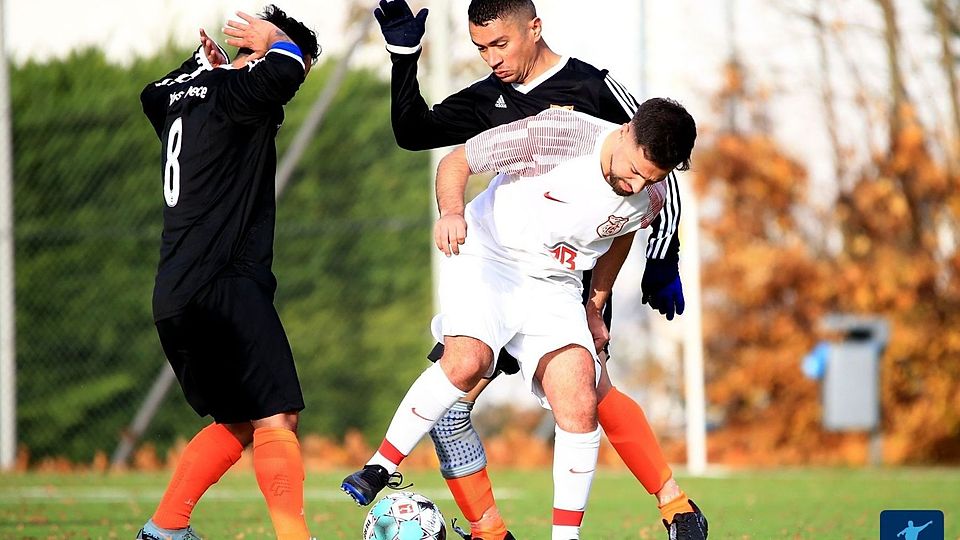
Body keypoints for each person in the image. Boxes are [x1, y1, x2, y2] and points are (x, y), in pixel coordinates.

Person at [359, 1, 704, 539]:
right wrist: (405, 57)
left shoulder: (596, 89)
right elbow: (415, 131)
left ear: (534, 29)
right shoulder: (487, 98)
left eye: (500, 45)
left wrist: (662, 260)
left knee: (589, 395)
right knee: (451, 401)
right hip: (497, 267)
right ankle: (489, 531)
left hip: (569, 276)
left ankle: (674, 504)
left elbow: (657, 178)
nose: (490, 58)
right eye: (480, 47)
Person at [136, 6, 319, 540]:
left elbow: (152, 94)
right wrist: (276, 43)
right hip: (226, 285)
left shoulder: (184, 97)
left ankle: (165, 529)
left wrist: (200, 65)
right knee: (278, 417)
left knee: (239, 420)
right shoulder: (242, 95)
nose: (296, 84)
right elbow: (282, 72)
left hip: (173, 293)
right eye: (303, 69)